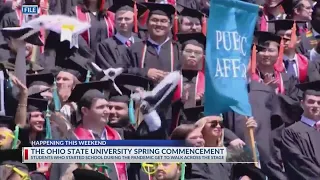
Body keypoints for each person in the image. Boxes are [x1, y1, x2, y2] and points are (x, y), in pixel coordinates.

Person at [119, 2, 181, 81]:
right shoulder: (134, 49)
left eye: (163, 21)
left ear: (170, 26)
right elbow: (122, 71)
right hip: (141, 92)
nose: (158, 24)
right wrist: (145, 72)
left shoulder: (178, 49)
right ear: (147, 23)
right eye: (154, 20)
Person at [281, 80, 320, 179]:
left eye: (319, 102)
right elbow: (298, 162)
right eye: (311, 102)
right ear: (302, 104)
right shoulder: (290, 132)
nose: (315, 105)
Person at [95, 0, 148, 69]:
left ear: (134, 21)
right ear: (114, 21)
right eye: (119, 19)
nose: (123, 22)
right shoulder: (105, 46)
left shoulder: (142, 44)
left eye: (127, 19)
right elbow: (110, 71)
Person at [253, 31, 301, 99]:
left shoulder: (289, 80)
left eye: (271, 50)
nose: (266, 54)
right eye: (262, 50)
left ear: (279, 54)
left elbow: (294, 104)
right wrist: (264, 90)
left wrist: (273, 92)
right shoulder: (248, 78)